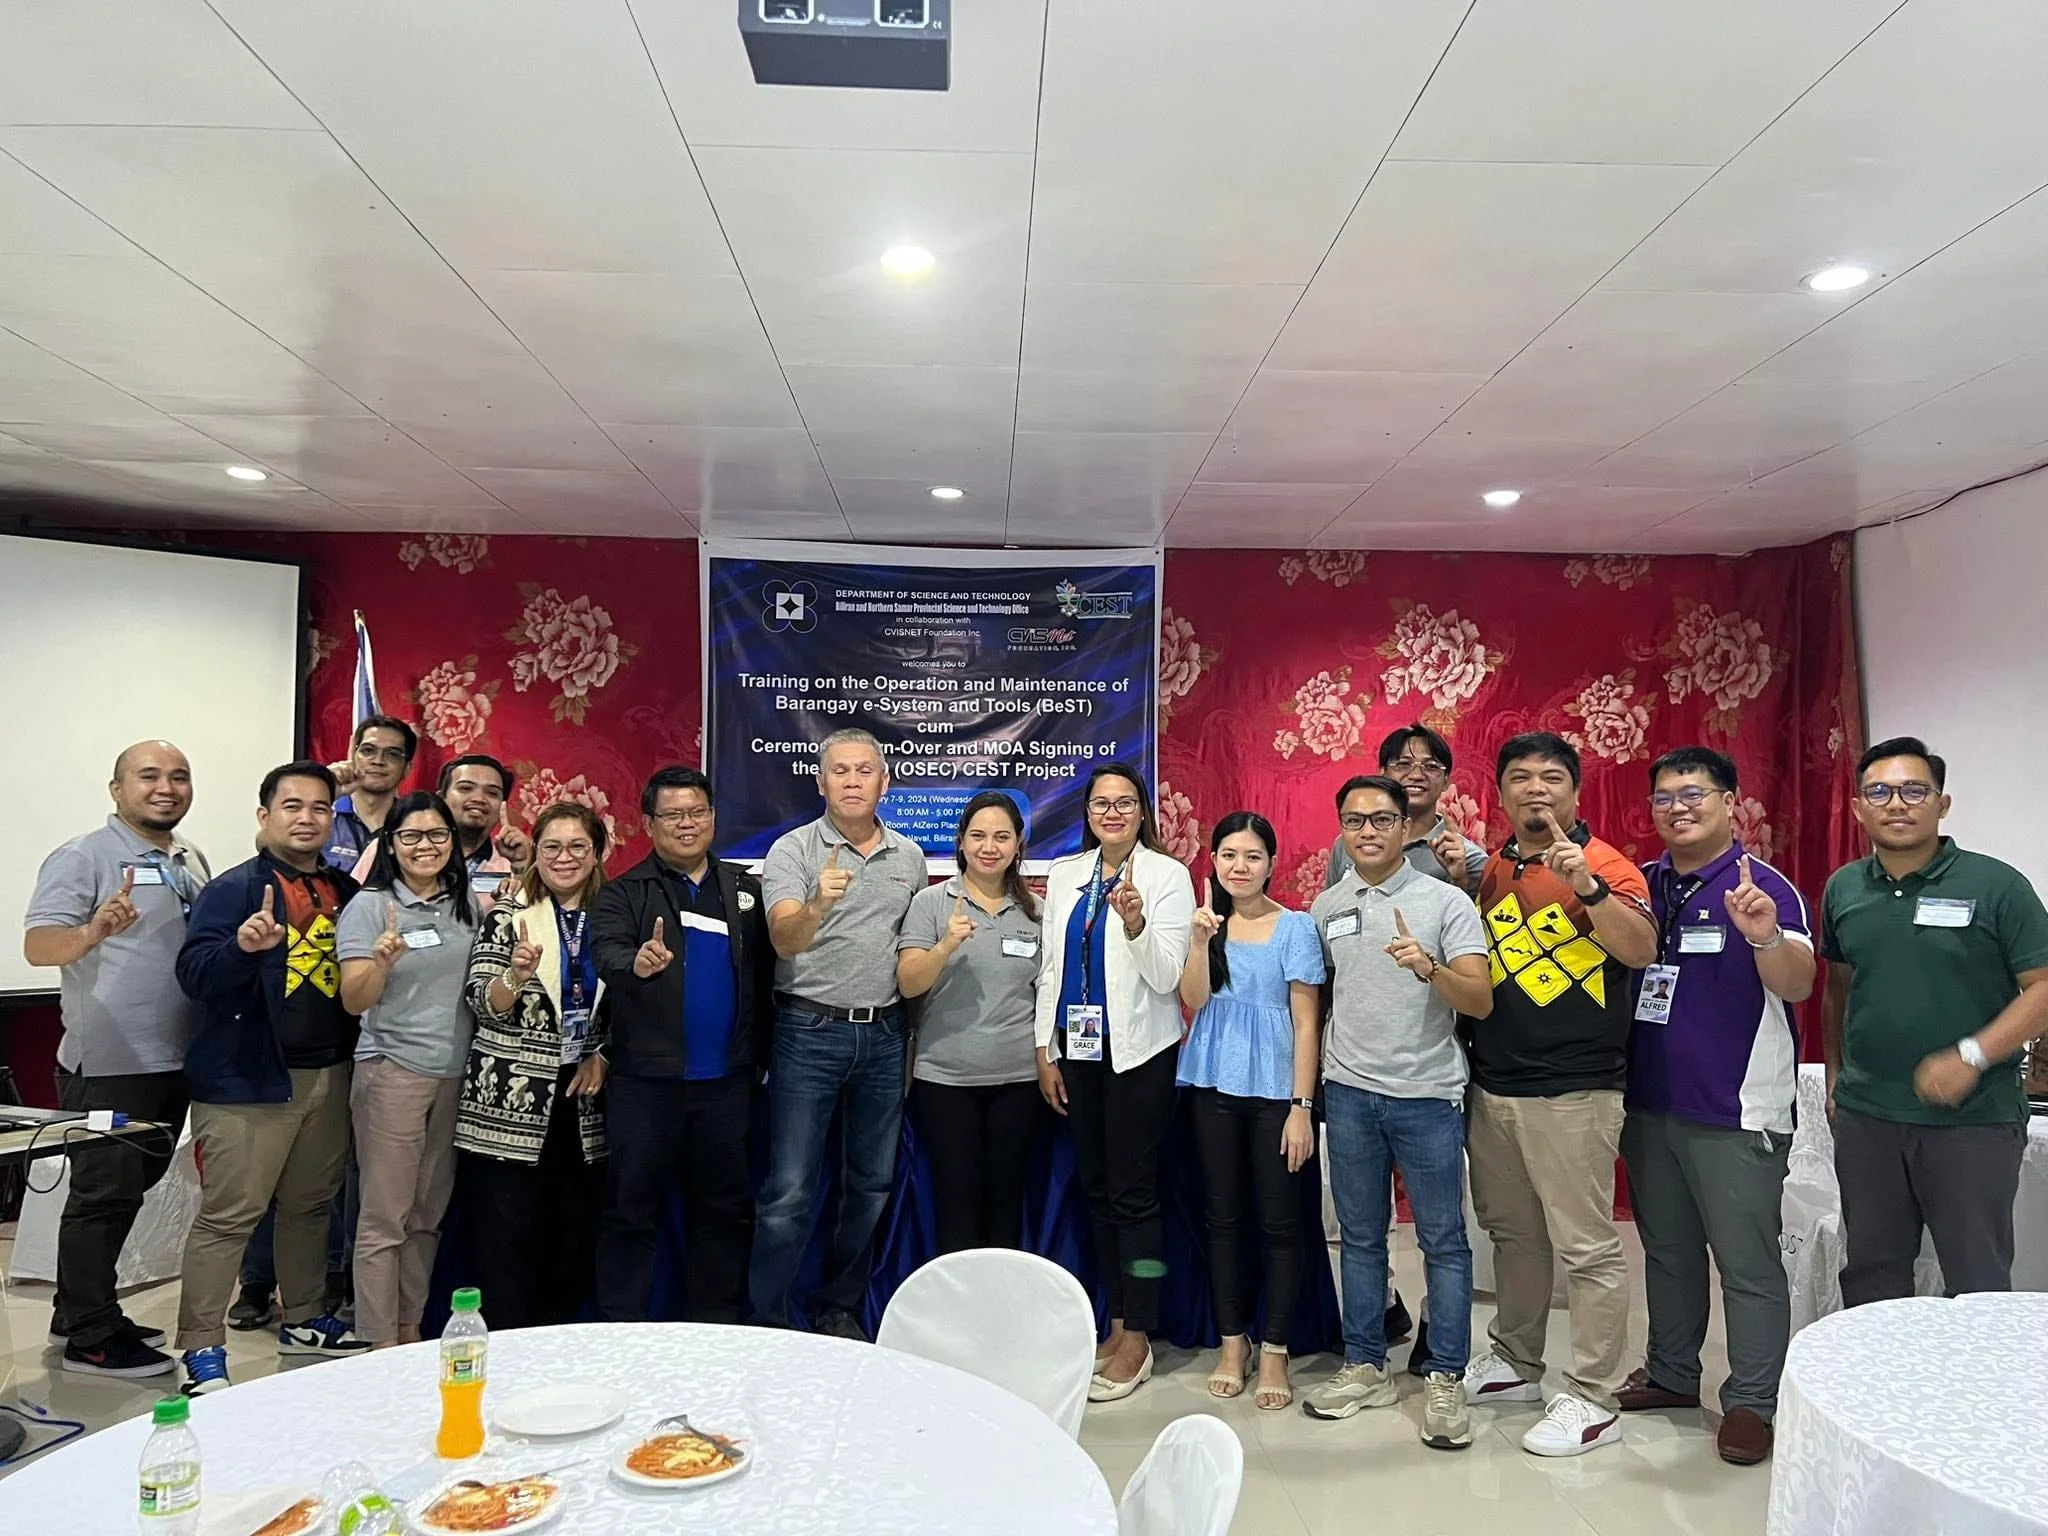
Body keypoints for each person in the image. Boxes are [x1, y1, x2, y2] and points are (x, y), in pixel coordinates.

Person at [1460, 732, 1657, 1457]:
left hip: (1576, 1089)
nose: (1535, 789)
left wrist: (1589, 888)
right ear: (1502, 793)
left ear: (1575, 792)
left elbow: (1640, 949)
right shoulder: (1496, 868)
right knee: (1513, 1234)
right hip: (1495, 1084)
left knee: (1587, 1247)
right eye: (1520, 777)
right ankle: (1516, 1361)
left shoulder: (1606, 864)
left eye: (1551, 778)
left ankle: (1594, 1395)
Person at [1616, 747, 1814, 1466]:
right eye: (1665, 797)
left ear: (1730, 802)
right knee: (1667, 1253)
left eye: (1694, 793)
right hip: (1650, 1105)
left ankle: (1753, 1402)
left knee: (1747, 1263)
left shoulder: (1764, 886)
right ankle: (1672, 1373)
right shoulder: (1641, 883)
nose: (1679, 808)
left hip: (1736, 1112)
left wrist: (1763, 935)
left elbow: (1798, 984)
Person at [1821, 736, 2048, 1308]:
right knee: (1872, 1277)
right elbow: (1839, 988)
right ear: (1858, 808)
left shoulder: (1996, 885)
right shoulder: (1843, 887)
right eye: (1879, 791)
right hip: (1869, 1119)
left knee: (1976, 1282)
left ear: (1942, 804)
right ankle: (1876, 1370)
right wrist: (1835, 1077)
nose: (1896, 803)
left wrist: (1972, 1056)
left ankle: (1978, 1373)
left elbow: (2043, 988)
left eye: (1914, 790)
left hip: (1973, 1121)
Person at [1305, 776, 1491, 1449]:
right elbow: (1318, 999)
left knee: (1443, 1241)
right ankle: (1365, 1365)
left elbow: (1479, 1000)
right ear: (1341, 829)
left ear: (1405, 827)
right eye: (1354, 820)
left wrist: (1429, 968)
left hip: (1427, 1095)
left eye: (1382, 819)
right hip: (1350, 1094)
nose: (1368, 832)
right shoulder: (1327, 905)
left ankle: (1445, 1376)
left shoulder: (1445, 902)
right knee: (1360, 1239)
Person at [172, 762, 370, 1394]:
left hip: (329, 1073)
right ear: (265, 816)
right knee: (229, 1217)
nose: (307, 818)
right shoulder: (234, 889)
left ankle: (305, 1318)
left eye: (319, 807)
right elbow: (194, 976)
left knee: (310, 1206)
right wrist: (241, 948)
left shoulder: (344, 889)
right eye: (292, 806)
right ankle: (202, 1348)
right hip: (249, 1080)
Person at [23, 741, 210, 1379]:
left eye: (179, 776)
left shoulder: (188, 857)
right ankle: (92, 1338)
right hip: (110, 1061)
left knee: (131, 1189)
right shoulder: (85, 856)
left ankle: (77, 1309)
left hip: (172, 1057)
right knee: (102, 1196)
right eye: (148, 776)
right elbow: (39, 946)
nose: (166, 787)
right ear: (117, 789)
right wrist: (93, 932)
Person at [752, 731, 921, 1339]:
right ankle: (768, 1319)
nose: (852, 781)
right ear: (821, 782)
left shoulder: (909, 857)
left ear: (884, 781)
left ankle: (839, 1307)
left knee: (870, 1184)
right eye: (840, 771)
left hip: (884, 1036)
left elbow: (911, 954)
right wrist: (818, 905)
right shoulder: (793, 851)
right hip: (808, 1032)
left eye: (864, 770)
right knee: (789, 1191)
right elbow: (783, 941)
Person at [1035, 763, 1196, 1402]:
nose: (1112, 813)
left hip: (1139, 1056)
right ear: (1087, 813)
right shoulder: (1066, 874)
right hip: (1078, 1052)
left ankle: (1141, 1334)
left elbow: (1166, 978)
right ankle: (1118, 1320)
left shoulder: (1167, 876)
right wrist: (1044, 1049)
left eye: (1125, 802)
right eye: (1101, 803)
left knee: (1135, 1195)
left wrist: (1134, 925)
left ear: (1142, 812)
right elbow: (1052, 967)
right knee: (1098, 1190)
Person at [595, 767, 774, 1324]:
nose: (687, 824)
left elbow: (769, 976)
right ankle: (621, 1328)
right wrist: (637, 963)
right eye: (673, 815)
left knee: (724, 1213)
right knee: (630, 1213)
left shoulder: (746, 891)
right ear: (649, 824)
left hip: (726, 1085)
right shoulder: (624, 892)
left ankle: (714, 1327)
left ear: (713, 818)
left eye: (697, 812)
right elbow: (606, 954)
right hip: (646, 1087)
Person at [1176, 812, 1322, 1412]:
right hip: (1213, 1086)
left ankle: (1276, 1349)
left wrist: (1301, 1108)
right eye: (1229, 855)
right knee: (1223, 1220)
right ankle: (1232, 1343)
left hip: (1276, 1094)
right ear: (1213, 861)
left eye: (1253, 856)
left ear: (1271, 864)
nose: (1240, 866)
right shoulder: (1207, 924)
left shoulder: (1296, 927)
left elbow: (1307, 1022)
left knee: (1280, 1224)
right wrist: (1197, 941)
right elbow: (1192, 1000)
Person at [459, 803, 612, 1330]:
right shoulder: (509, 914)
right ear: (536, 853)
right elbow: (481, 1000)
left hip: (582, 1099)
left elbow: (630, 1004)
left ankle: (557, 1341)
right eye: (552, 847)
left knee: (571, 1232)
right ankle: (507, 1341)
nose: (564, 858)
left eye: (578, 847)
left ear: (597, 854)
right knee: (505, 1236)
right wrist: (515, 977)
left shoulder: (614, 914)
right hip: (510, 1099)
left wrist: (603, 1053)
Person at [335, 792, 478, 1348]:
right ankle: (377, 1343)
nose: (426, 846)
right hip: (393, 1071)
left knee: (425, 1215)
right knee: (384, 1218)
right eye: (411, 836)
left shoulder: (465, 903)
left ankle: (410, 1328)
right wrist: (379, 963)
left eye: (437, 835)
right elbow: (354, 1000)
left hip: (453, 1076)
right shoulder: (371, 906)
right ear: (391, 845)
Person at [897, 792, 1045, 1255]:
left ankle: (1000, 1300)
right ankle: (958, 1301)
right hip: (945, 1081)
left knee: (1006, 1206)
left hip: (1019, 1082)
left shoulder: (1038, 911)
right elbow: (908, 983)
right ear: (961, 842)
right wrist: (945, 946)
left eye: (1001, 836)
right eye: (978, 836)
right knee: (956, 1206)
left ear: (1018, 844)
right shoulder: (930, 903)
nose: (989, 847)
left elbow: (1049, 995)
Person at [1323, 724, 1487, 894]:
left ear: (1446, 781)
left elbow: (1473, 911)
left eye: (1430, 766)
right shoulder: (1351, 843)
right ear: (1383, 773)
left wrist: (1459, 880)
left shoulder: (1467, 858)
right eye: (1403, 764)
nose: (1416, 775)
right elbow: (1331, 904)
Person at [323, 715, 419, 870]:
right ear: (352, 756)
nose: (378, 761)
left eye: (392, 754)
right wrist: (323, 792)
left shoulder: (414, 826)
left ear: (406, 769)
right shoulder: (323, 816)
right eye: (368, 751)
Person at [437, 754, 531, 908]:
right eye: (466, 788)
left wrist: (521, 866)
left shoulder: (512, 866)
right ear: (441, 798)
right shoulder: (414, 856)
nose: (479, 799)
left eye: (492, 793)